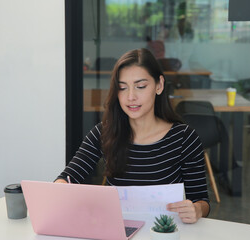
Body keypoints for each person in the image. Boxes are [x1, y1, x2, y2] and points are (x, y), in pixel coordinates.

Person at [55, 48, 210, 223]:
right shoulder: (104, 132)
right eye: (122, 88)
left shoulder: (184, 138)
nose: (131, 97)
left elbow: (202, 201)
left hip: (162, 233)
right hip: (117, 231)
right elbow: (68, 177)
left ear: (159, 85)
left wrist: (196, 210)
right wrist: (60, 189)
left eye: (140, 86)